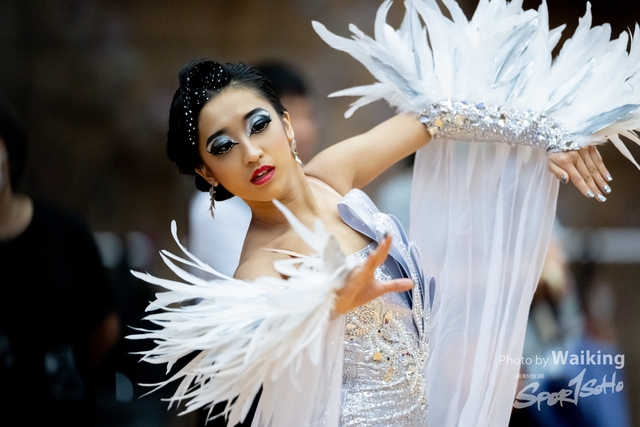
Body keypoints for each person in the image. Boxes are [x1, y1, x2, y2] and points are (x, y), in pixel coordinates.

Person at [130, 0, 639, 426]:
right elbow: (242, 353)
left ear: (286, 124)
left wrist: (547, 134)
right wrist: (323, 308)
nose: (251, 152)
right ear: (209, 173)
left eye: (258, 124)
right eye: (223, 146)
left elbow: (435, 117)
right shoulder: (261, 265)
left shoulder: (332, 174)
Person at [0, 102, 120, 426]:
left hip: (62, 409)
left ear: (11, 156)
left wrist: (65, 370)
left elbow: (105, 327)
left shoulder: (64, 232)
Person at [188, 61, 319, 277]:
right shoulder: (216, 212)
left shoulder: (316, 179)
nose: (304, 130)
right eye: (258, 125)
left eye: (308, 115)